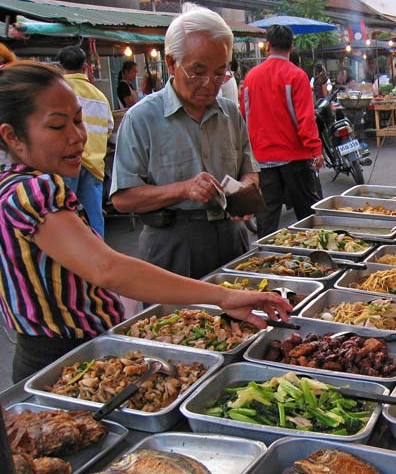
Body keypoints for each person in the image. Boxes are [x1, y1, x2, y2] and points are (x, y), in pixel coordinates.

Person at [0, 61, 292, 383]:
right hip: (63, 357)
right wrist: (223, 296)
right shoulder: (36, 191)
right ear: (12, 137)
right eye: (58, 126)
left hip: (55, 352)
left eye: (78, 120)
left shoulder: (11, 186)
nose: (77, 136)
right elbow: (107, 269)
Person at [111, 3, 259, 279]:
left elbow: (249, 170)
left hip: (231, 238)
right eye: (198, 72)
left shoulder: (230, 113)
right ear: (171, 63)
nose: (209, 83)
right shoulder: (141, 118)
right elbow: (122, 198)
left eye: (220, 73)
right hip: (172, 243)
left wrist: (246, 191)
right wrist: (183, 189)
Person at [240, 24, 322, 238]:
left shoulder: (251, 77)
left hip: (263, 160)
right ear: (291, 47)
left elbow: (244, 116)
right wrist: (315, 150)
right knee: (308, 216)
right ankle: (316, 260)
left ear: (267, 46)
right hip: (294, 157)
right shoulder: (296, 75)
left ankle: (267, 261)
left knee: (266, 221)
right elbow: (306, 118)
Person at [57, 45, 114, 238]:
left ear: (60, 66)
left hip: (65, 163)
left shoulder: (54, 91)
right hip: (94, 165)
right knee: (93, 217)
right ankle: (97, 258)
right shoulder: (99, 96)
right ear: (85, 67)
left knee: (64, 217)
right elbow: (108, 128)